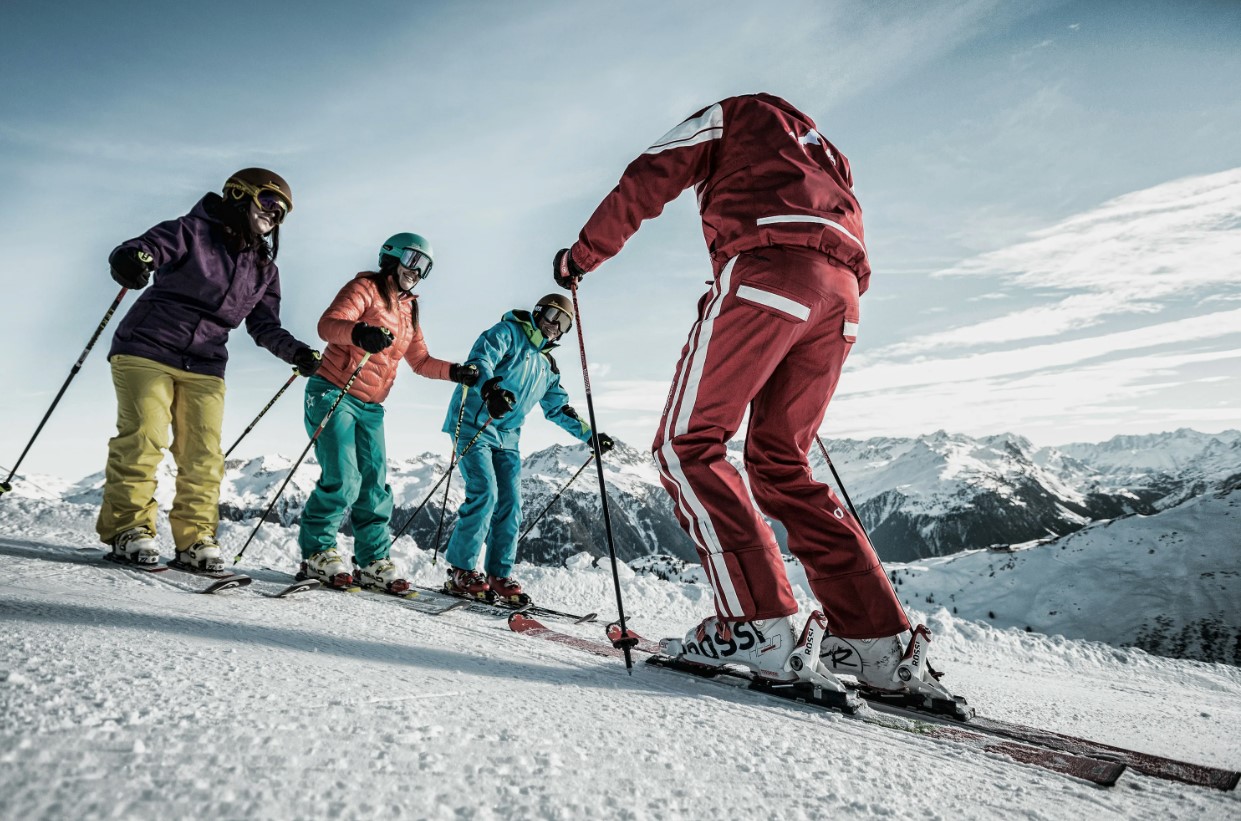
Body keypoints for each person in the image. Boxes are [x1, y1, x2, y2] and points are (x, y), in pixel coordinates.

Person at [552, 93, 954, 702]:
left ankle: (758, 625)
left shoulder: (735, 114)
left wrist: (582, 256)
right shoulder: (826, 151)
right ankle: (876, 641)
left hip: (768, 273)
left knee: (687, 445)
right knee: (782, 462)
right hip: (842, 298)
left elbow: (650, 175)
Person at [99, 168, 321, 573]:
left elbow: (264, 326)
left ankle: (195, 538)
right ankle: (129, 529)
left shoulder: (264, 269)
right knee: (145, 435)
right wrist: (131, 258)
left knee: (203, 454)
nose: (273, 214)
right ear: (239, 195)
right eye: (268, 202)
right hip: (148, 345)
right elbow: (147, 248)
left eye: (281, 212)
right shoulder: (191, 231)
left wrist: (298, 352)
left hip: (205, 363)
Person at [295, 233, 479, 592]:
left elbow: (420, 361)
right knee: (344, 476)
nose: (417, 271)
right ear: (391, 257)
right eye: (413, 260)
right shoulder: (364, 288)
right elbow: (328, 325)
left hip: (371, 407)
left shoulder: (409, 310)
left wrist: (455, 372)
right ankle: (318, 552)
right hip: (334, 391)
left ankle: (372, 561)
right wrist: (359, 333)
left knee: (375, 485)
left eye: (425, 267)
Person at [441, 293, 613, 604]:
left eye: (565, 324)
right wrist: (491, 390)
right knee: (485, 492)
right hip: (473, 423)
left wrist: (591, 436)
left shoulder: (548, 366)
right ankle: (461, 571)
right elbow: (481, 360)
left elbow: (559, 408)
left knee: (511, 503)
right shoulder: (508, 333)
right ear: (538, 312)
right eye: (553, 316)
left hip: (508, 437)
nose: (556, 326)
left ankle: (498, 574)